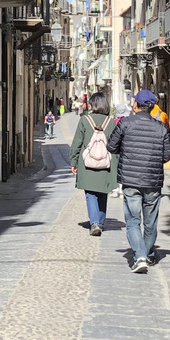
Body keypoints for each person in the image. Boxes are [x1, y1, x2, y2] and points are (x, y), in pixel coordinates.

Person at [108, 88, 170, 272]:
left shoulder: (125, 124)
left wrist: (127, 152)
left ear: (135, 105)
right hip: (153, 181)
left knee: (133, 221)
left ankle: (140, 256)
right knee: (150, 222)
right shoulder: (161, 127)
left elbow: (111, 147)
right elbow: (168, 155)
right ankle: (148, 253)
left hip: (130, 180)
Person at [69, 90, 118, 236]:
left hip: (87, 163)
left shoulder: (85, 120)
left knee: (90, 193)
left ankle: (95, 222)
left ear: (93, 104)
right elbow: (116, 145)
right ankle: (100, 222)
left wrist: (73, 161)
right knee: (103, 192)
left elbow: (77, 142)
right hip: (106, 163)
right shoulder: (111, 122)